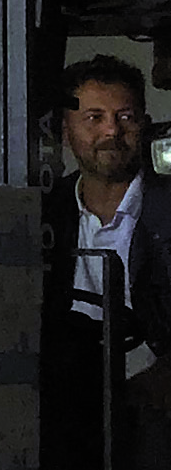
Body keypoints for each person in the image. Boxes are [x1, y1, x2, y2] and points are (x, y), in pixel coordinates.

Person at [47, 54, 171, 376]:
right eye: (94, 118)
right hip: (67, 390)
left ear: (143, 124)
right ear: (65, 131)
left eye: (125, 117)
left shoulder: (165, 207)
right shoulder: (46, 212)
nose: (111, 131)